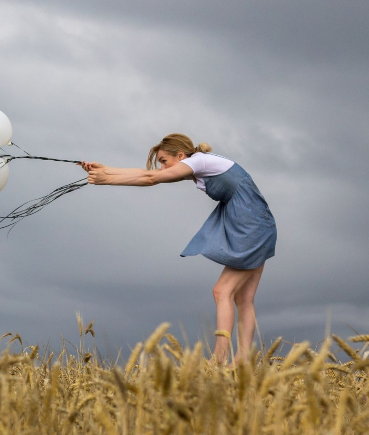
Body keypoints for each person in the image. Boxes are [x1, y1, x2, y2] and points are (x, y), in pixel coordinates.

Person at [80, 133, 276, 365]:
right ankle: (243, 361)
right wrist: (107, 170)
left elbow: (151, 178)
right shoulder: (199, 164)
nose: (162, 167)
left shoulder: (197, 162)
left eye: (164, 160)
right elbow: (149, 174)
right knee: (244, 298)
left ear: (181, 156)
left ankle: (220, 359)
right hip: (257, 223)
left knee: (222, 292)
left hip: (252, 225)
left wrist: (107, 179)